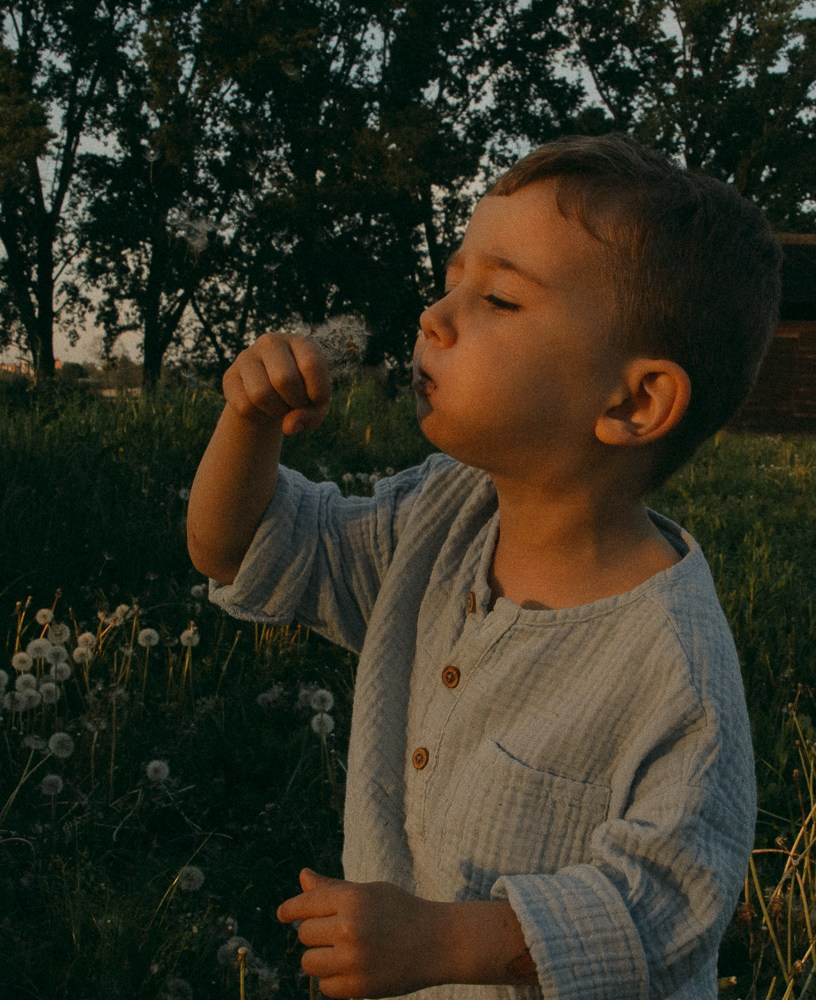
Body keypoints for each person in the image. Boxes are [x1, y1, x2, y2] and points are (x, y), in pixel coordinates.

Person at [187, 133, 782, 999]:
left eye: (499, 298)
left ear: (635, 400)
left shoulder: (671, 662)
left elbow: (671, 906)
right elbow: (238, 549)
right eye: (453, 277)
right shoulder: (442, 515)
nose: (435, 315)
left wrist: (444, 942)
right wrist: (247, 426)